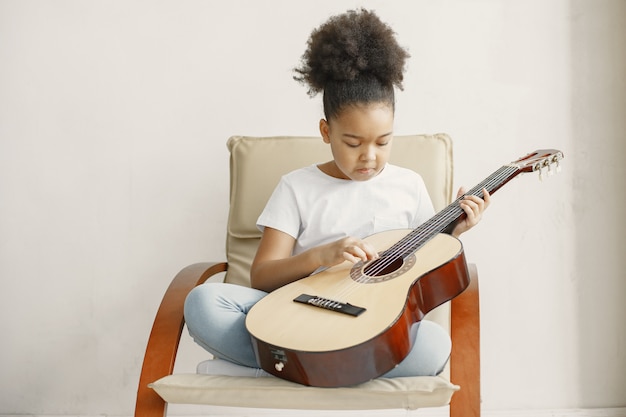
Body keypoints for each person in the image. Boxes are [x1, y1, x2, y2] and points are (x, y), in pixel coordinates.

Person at [184, 8, 489, 380]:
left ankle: (286, 369)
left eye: (383, 141)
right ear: (326, 132)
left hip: (368, 324)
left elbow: (422, 267)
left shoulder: (408, 185)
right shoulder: (296, 186)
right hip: (297, 315)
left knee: (434, 345)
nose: (370, 156)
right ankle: (331, 370)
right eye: (353, 142)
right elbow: (261, 277)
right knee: (203, 301)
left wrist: (453, 233)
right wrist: (321, 255)